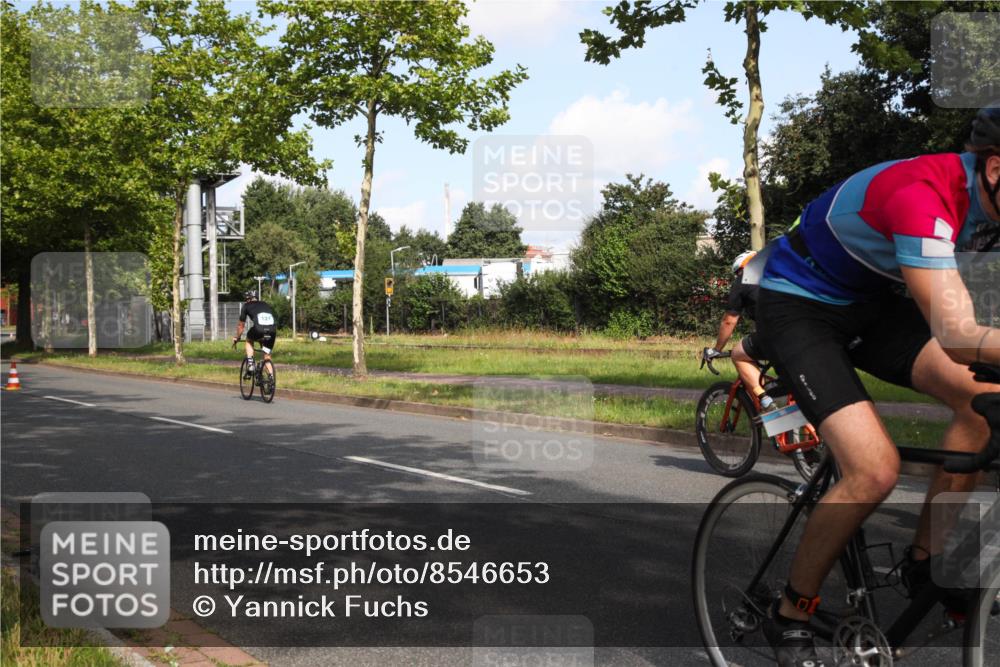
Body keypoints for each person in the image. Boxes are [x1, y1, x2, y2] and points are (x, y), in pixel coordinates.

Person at [755, 106, 1000, 667]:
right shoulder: (923, 196)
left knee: (983, 403)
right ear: (994, 169)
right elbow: (959, 335)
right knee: (874, 469)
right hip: (800, 306)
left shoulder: (990, 203)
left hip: (873, 303)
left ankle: (925, 561)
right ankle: (791, 612)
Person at [703, 250, 775, 411]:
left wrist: (716, 349)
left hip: (777, 334)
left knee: (738, 354)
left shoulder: (743, 279)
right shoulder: (780, 274)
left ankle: (766, 402)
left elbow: (729, 321)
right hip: (809, 331)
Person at [233, 290, 277, 377]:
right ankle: (271, 378)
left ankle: (250, 364)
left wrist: (237, 337)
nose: (246, 301)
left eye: (246, 299)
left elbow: (241, 326)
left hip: (258, 330)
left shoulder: (246, 305)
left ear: (248, 299)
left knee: (249, 340)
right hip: (272, 331)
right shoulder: (265, 304)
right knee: (267, 356)